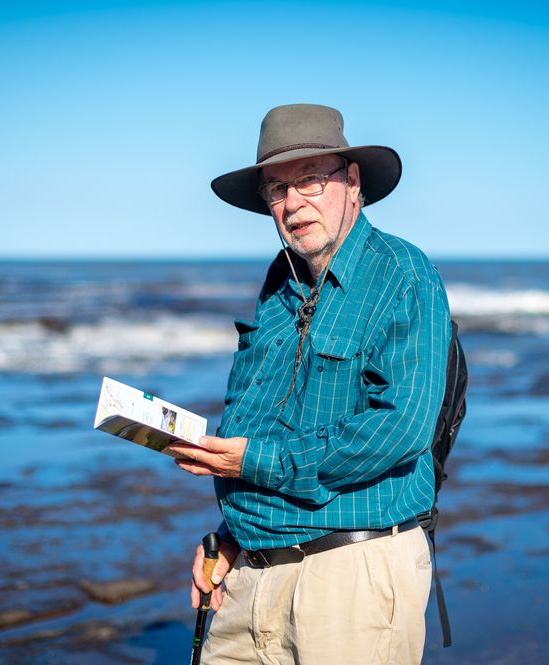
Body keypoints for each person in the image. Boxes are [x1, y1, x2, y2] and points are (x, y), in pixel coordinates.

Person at [167, 104, 451, 664]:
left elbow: (400, 428)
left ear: (352, 183)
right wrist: (231, 535)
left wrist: (249, 464)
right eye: (276, 188)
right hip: (251, 574)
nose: (292, 203)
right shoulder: (280, 282)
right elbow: (267, 422)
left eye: (310, 180)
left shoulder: (404, 272)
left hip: (354, 579)